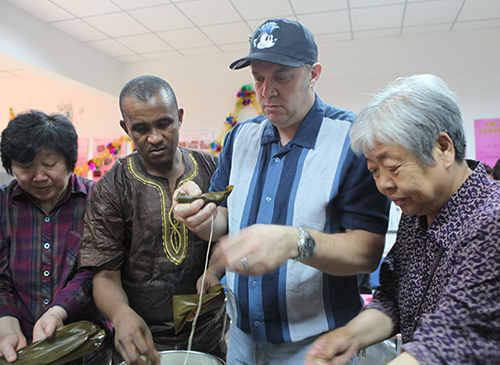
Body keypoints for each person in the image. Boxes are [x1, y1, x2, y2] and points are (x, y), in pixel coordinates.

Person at [173, 18, 390, 365]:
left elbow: (367, 251)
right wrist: (199, 218)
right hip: (241, 335)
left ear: (313, 73)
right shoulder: (239, 137)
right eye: (258, 78)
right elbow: (223, 222)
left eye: (282, 77)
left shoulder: (352, 139)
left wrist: (294, 241)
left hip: (316, 344)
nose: (266, 91)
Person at [305, 74, 500, 365]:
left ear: (444, 148)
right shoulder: (418, 211)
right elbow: (394, 297)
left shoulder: (490, 222)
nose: (384, 185)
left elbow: (449, 342)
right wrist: (349, 336)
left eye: (393, 168)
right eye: (374, 171)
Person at [78, 75, 227, 365]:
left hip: (208, 334)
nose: (155, 137)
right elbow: (105, 274)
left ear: (180, 117)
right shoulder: (112, 187)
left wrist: (216, 269)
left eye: (164, 124)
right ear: (125, 128)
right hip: (141, 340)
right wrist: (120, 314)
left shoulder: (214, 169)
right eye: (141, 129)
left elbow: (231, 230)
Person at [0, 110, 110, 364]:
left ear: (70, 159)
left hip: (86, 348)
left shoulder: (98, 199)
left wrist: (59, 312)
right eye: (26, 167)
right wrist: (7, 325)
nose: (39, 177)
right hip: (22, 349)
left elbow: (97, 270)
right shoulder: (3, 205)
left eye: (50, 165)